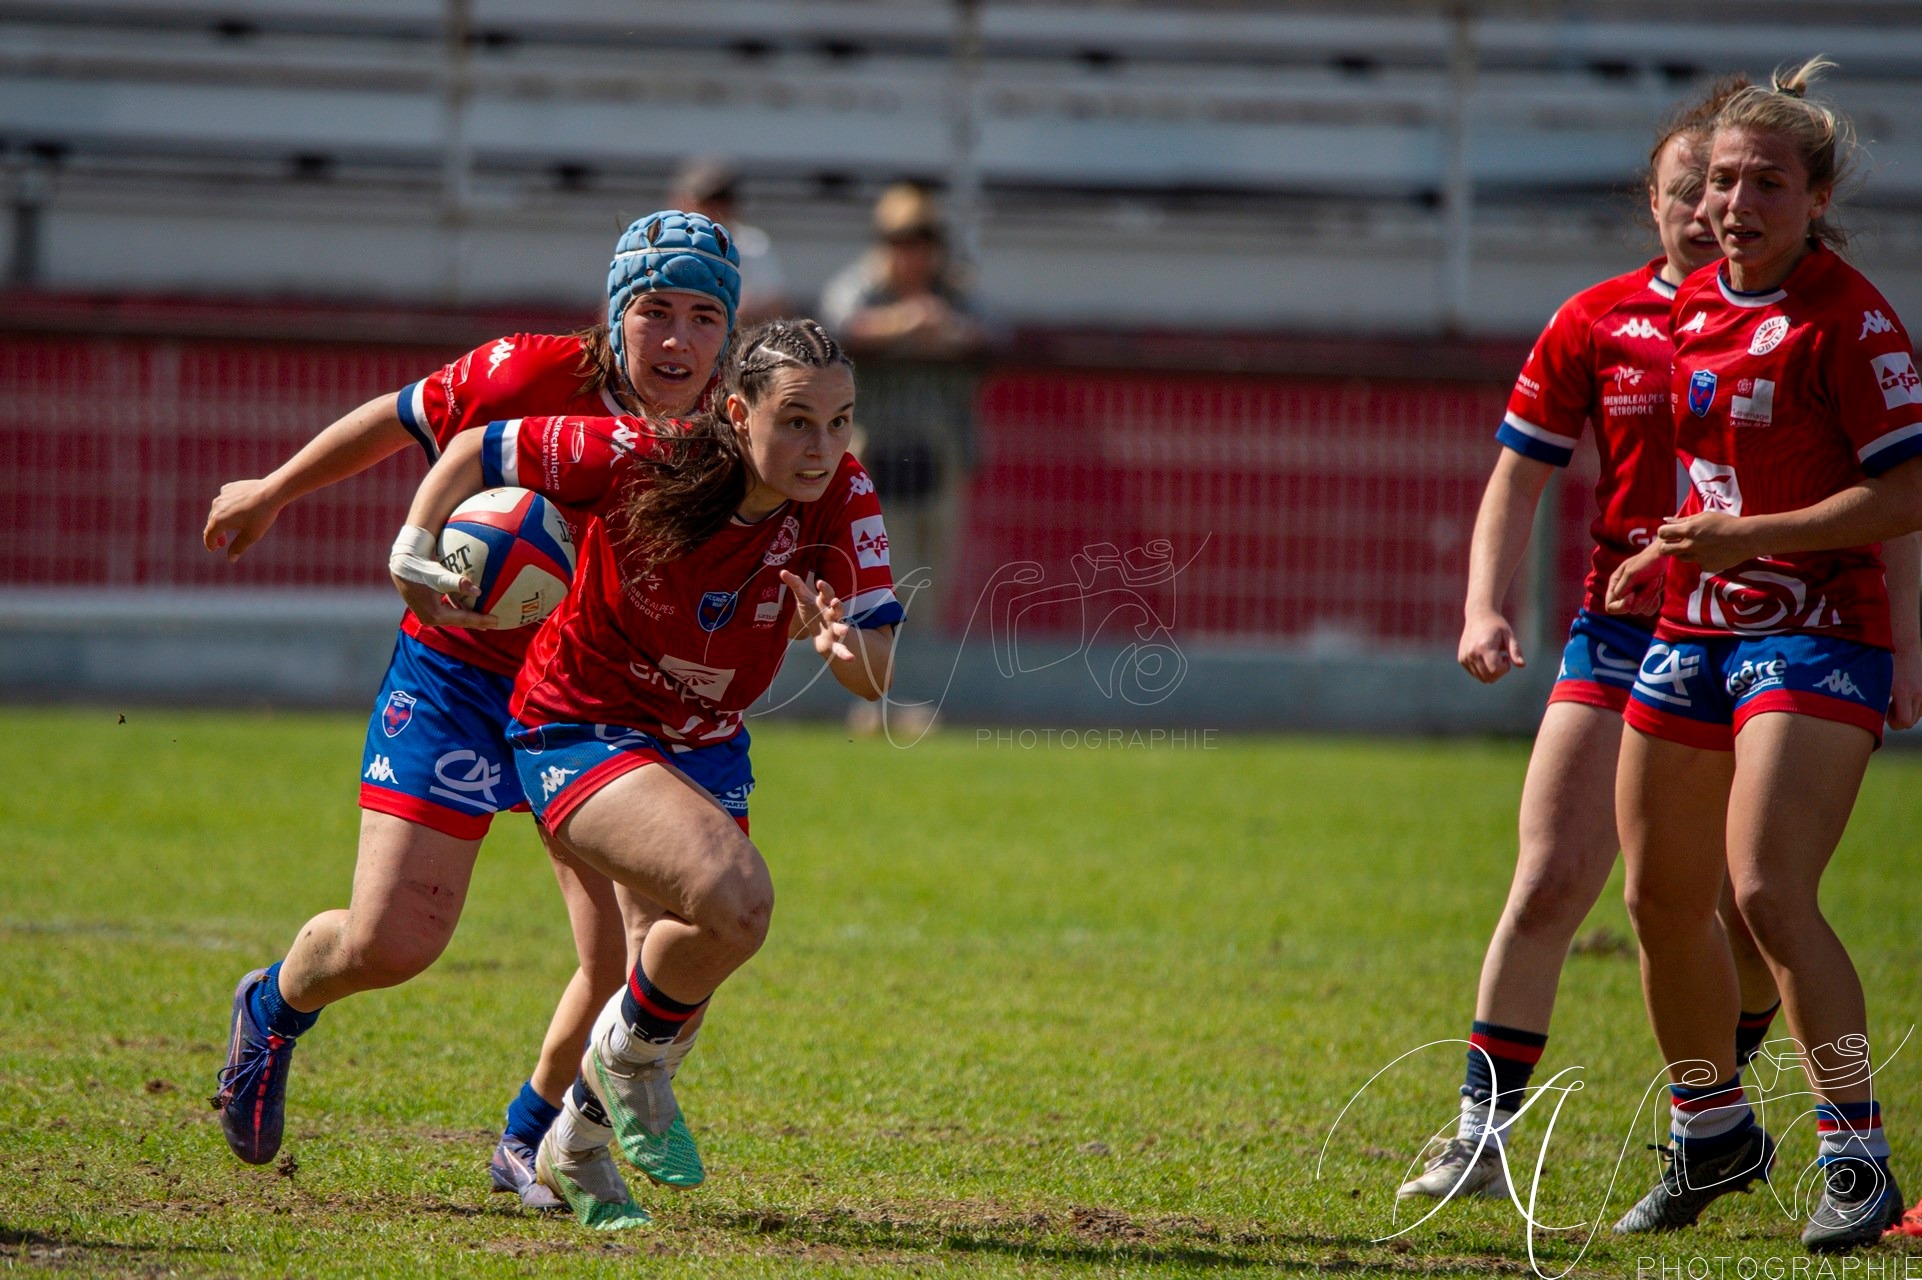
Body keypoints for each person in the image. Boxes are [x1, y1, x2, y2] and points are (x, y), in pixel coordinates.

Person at [207, 212, 742, 1209]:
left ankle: (526, 1137)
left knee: (634, 957)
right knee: (392, 941)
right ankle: (273, 1004)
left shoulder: (726, 442)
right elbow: (394, 416)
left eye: (703, 316)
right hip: (454, 677)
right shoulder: (523, 374)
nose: (676, 340)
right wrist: (273, 491)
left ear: (730, 333)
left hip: (590, 697)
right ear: (614, 311)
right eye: (654, 310)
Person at [389, 317, 902, 1228]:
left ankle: (572, 1145)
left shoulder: (844, 491)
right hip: (578, 720)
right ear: (736, 413)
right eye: (795, 421)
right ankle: (614, 1079)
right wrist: (415, 542)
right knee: (735, 899)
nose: (820, 447)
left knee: (685, 965)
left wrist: (840, 646)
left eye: (839, 421)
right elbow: (477, 445)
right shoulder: (642, 453)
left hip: (706, 738)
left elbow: (876, 669)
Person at [1401, 78, 1804, 1203]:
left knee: (1748, 902)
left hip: (1762, 640)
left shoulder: (1806, 320)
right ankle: (1478, 1134)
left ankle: (1719, 1111)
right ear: (1654, 198)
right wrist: (1484, 605)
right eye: (1689, 185)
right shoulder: (1595, 320)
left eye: (1728, 184)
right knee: (1549, 876)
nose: (1704, 206)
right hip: (1621, 632)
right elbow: (1515, 477)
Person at [1603, 60, 1922, 1252]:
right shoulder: (1692, 303)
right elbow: (1715, 476)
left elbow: (1904, 492)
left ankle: (1857, 1150)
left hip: (1817, 628)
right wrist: (1669, 553)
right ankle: (1710, 1127)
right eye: (1718, 181)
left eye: (1764, 184)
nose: (1732, 204)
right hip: (1694, 623)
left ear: (1814, 194)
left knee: (1765, 891)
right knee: (1652, 896)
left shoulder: (1850, 317)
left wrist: (1753, 539)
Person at [820, 182, 985, 360]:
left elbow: (991, 330)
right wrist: (904, 321)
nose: (916, 255)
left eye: (927, 242)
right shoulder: (859, 285)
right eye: (904, 243)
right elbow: (837, 327)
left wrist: (950, 330)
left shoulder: (952, 287)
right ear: (884, 245)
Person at [669, 157, 794, 324]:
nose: (715, 208)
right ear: (681, 201)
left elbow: (777, 304)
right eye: (706, 201)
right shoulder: (665, 242)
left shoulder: (752, 244)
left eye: (723, 201)